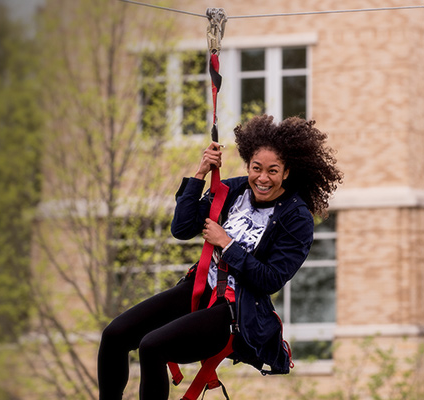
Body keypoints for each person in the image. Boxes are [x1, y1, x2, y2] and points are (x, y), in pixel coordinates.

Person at [97, 115, 343, 400]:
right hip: (199, 290)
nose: (262, 178)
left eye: (273, 171)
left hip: (235, 310)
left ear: (287, 172)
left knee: (152, 346)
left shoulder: (296, 217)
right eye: (256, 168)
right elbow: (182, 228)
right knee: (114, 336)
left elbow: (270, 279)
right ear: (248, 165)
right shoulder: (234, 190)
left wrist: (227, 244)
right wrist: (200, 174)